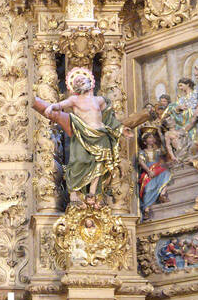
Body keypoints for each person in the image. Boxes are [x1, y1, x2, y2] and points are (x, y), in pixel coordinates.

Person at [32, 66, 131, 201]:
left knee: (99, 163)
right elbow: (60, 105)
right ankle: (74, 192)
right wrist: (50, 107)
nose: (83, 83)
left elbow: (109, 119)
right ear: (76, 87)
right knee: (79, 161)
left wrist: (121, 129)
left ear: (90, 83)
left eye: (84, 80)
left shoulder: (99, 100)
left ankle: (92, 192)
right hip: (83, 135)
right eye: (79, 82)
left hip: (100, 134)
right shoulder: (74, 100)